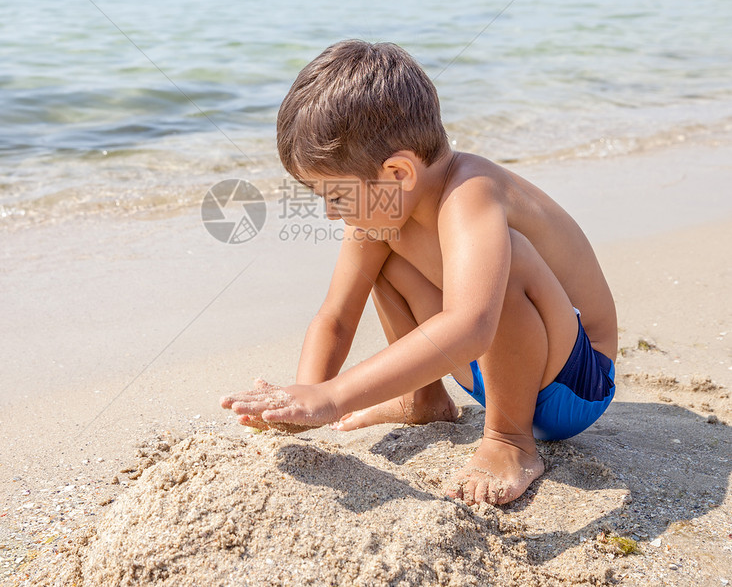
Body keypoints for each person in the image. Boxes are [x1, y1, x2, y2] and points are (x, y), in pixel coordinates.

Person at [220, 40, 617, 505]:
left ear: (398, 172)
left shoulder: (471, 192)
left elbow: (472, 325)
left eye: (336, 195)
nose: (329, 213)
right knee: (380, 244)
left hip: (573, 383)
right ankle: (424, 401)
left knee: (507, 257)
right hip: (491, 369)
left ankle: (511, 441)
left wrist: (335, 396)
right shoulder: (386, 212)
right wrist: (306, 397)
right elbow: (337, 316)